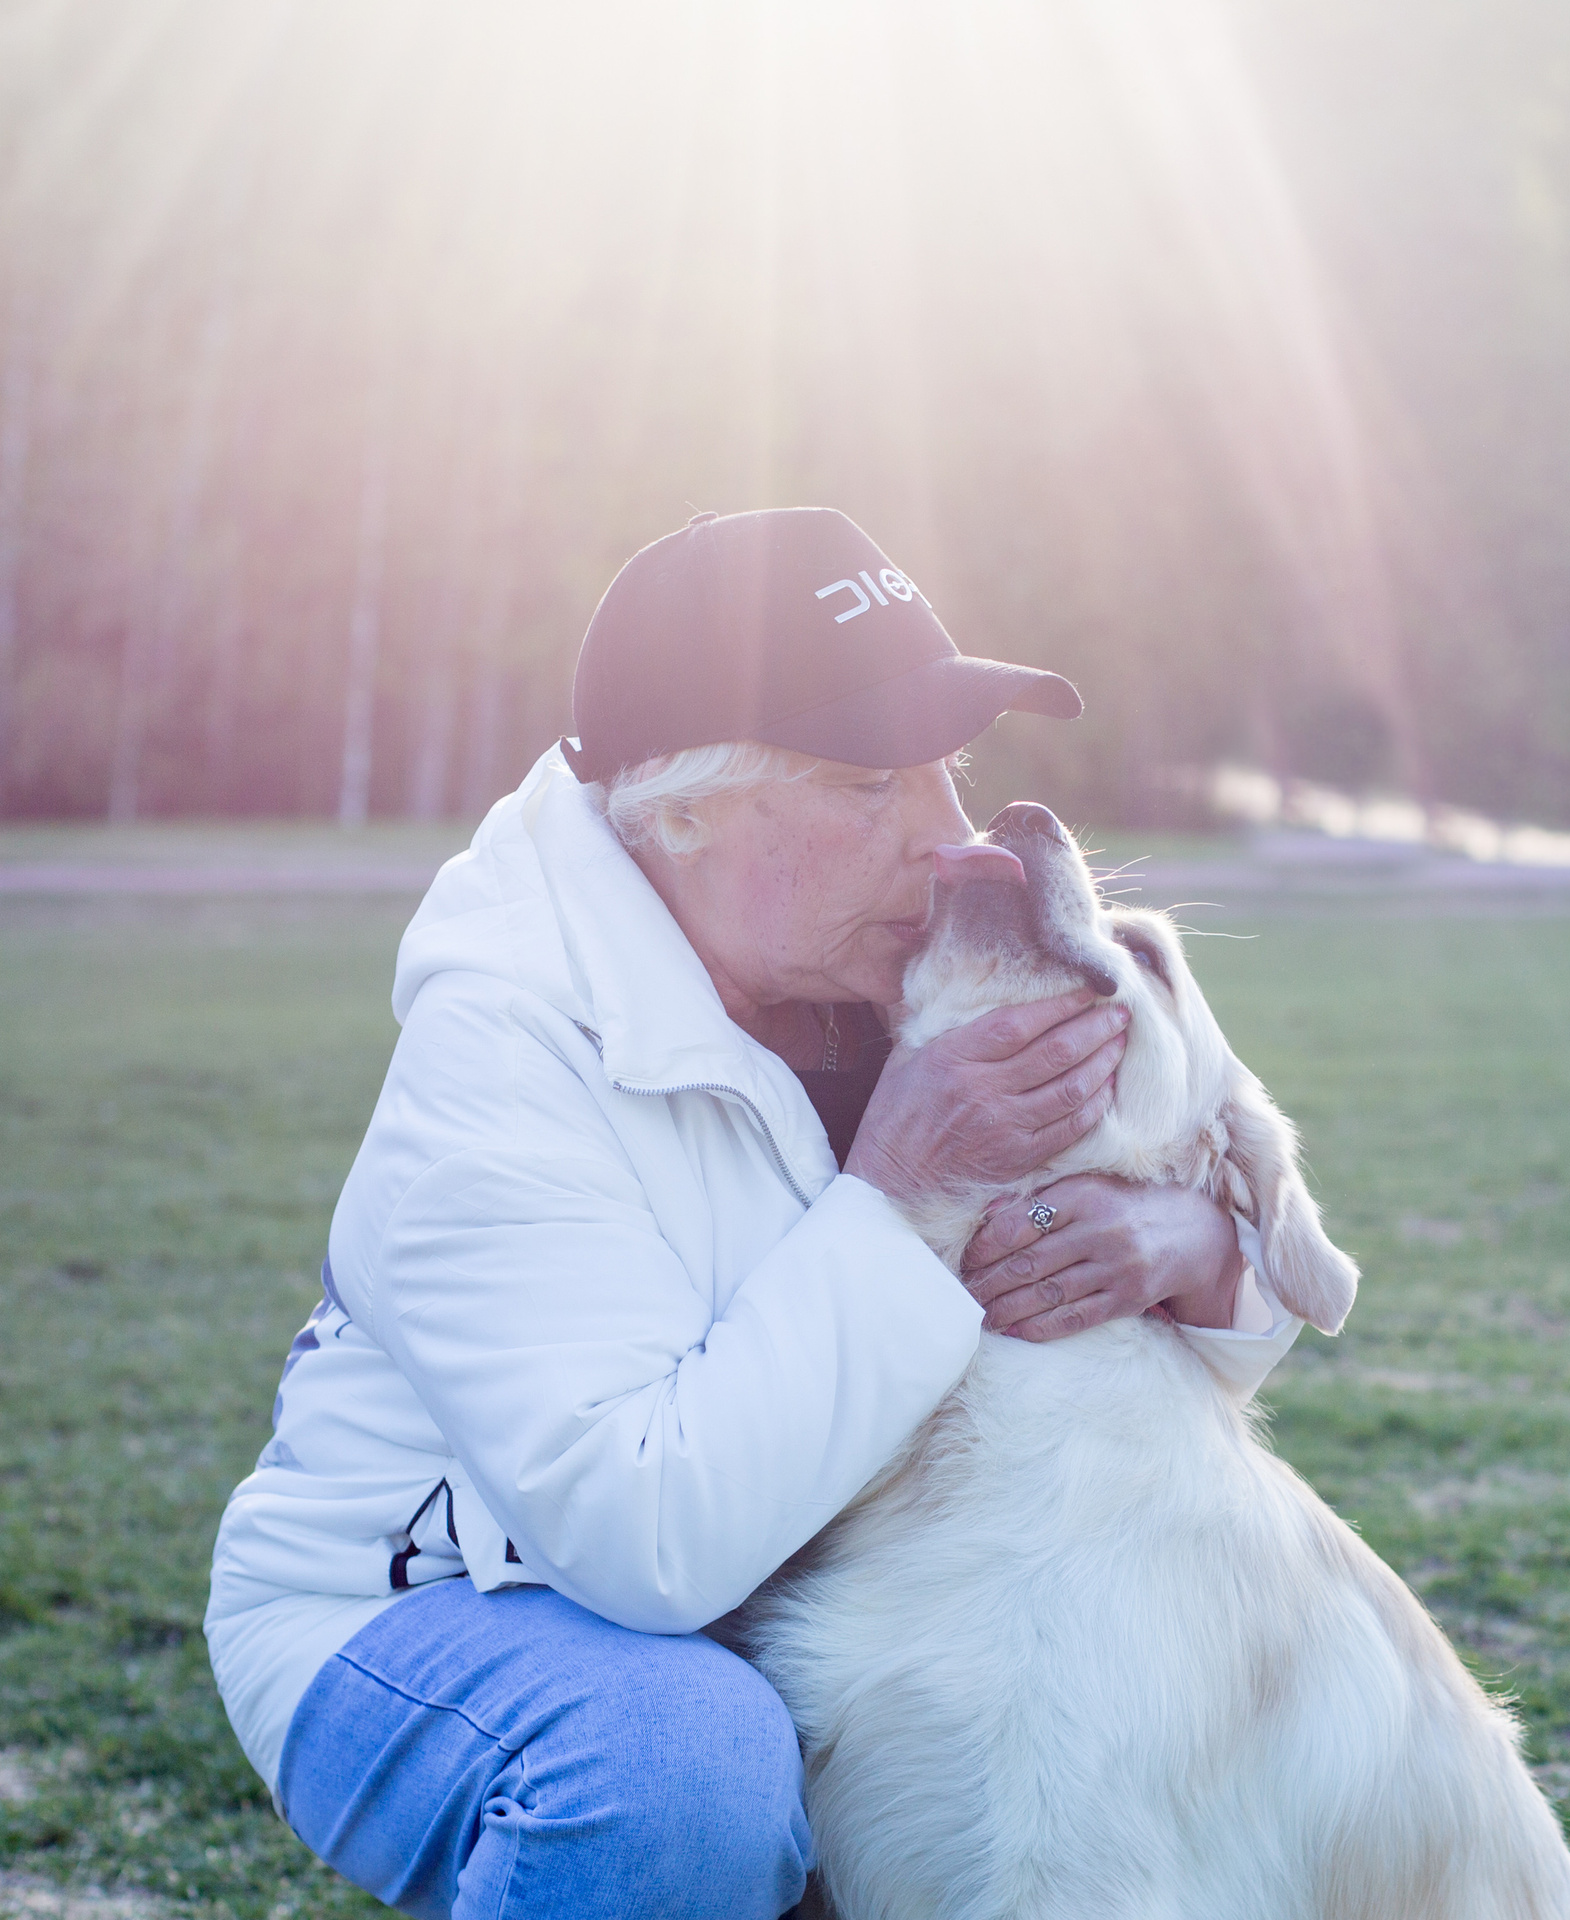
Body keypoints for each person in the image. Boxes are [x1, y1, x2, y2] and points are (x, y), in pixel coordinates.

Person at [204, 508, 1302, 1919]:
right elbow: (650, 1541)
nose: (948, 840)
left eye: (947, 772)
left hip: (756, 1600)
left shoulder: (870, 973)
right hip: (429, 1610)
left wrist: (1187, 1252)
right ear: (682, 809)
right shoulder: (499, 1063)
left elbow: (1121, 1354)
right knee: (681, 1772)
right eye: (868, 782)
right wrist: (903, 1189)